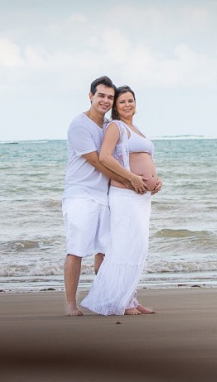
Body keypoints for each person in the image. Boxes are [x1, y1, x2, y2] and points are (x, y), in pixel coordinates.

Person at [62, 75, 142, 316]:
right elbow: (97, 162)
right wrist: (129, 180)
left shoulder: (108, 126)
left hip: (105, 196)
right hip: (80, 196)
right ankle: (70, 304)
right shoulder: (79, 125)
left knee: (106, 250)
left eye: (110, 97)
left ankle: (110, 299)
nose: (106, 101)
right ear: (90, 96)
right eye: (101, 96)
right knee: (76, 250)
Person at [80, 85, 161, 316]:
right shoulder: (116, 126)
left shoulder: (136, 129)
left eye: (130, 100)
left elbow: (143, 158)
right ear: (116, 106)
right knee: (124, 247)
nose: (127, 105)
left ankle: (131, 298)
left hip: (142, 197)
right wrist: (132, 178)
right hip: (125, 195)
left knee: (138, 247)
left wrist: (156, 179)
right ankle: (119, 301)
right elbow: (105, 157)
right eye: (122, 101)